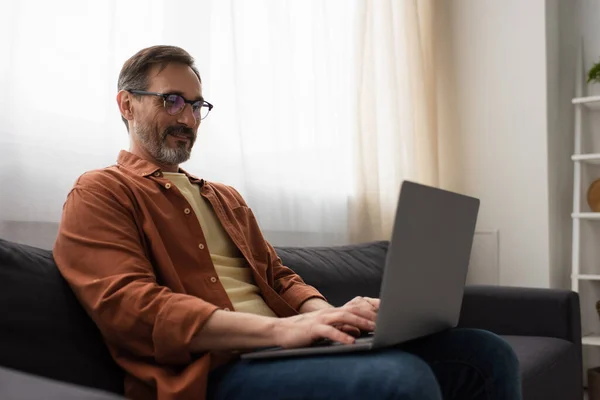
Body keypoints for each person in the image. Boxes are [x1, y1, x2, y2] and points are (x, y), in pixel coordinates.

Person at [53, 45, 521, 400]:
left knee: (485, 352)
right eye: (172, 101)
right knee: (401, 378)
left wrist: (325, 315)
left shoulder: (224, 197)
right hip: (212, 371)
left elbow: (278, 276)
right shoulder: (101, 190)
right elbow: (130, 309)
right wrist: (283, 330)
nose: (189, 118)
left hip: (286, 348)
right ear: (127, 104)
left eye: (197, 106)